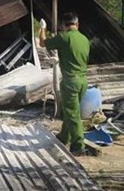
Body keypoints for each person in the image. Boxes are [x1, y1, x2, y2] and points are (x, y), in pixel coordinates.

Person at [39, 12, 91, 156]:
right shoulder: (84, 39)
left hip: (71, 81)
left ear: (63, 25)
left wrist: (42, 28)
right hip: (83, 81)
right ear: (77, 24)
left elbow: (43, 43)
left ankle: (78, 145)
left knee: (72, 114)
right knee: (71, 111)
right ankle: (64, 136)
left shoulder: (64, 37)